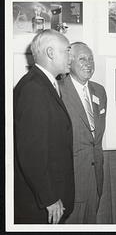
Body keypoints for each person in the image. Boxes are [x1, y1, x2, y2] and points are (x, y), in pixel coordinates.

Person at [14, 29, 75, 224]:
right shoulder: (35, 89)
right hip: (41, 205)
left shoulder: (43, 84)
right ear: (50, 53)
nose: (70, 57)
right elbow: (31, 153)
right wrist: (48, 197)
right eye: (67, 51)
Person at [59, 42, 107, 223]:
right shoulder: (58, 90)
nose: (89, 63)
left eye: (91, 58)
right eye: (82, 59)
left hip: (95, 179)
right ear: (69, 62)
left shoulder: (100, 92)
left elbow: (96, 138)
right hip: (70, 180)